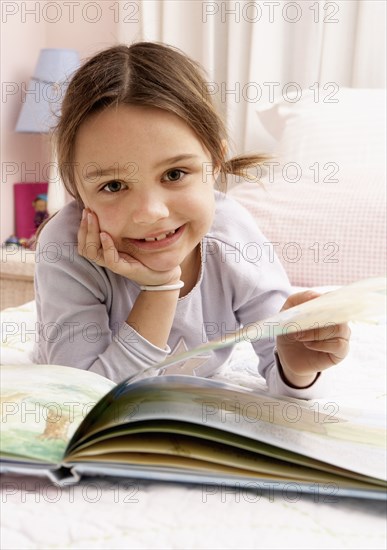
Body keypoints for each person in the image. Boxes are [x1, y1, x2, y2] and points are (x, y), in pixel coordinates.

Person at [33, 42, 350, 398]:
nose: (151, 212)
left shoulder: (232, 235)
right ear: (77, 191)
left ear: (215, 161)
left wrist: (295, 366)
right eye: (114, 185)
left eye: (174, 174)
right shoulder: (65, 247)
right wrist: (160, 287)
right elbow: (80, 399)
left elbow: (283, 372)